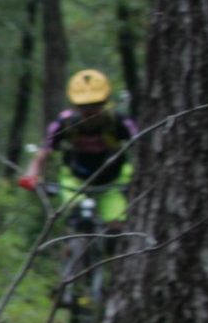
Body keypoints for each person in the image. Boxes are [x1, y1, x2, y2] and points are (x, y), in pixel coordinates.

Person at [19, 68, 136, 227]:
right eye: (83, 106)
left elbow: (142, 146)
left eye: (95, 105)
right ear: (74, 105)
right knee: (80, 218)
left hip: (113, 181)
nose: (89, 111)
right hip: (75, 181)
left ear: (105, 102)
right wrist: (31, 175)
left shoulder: (119, 121)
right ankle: (72, 247)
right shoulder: (64, 123)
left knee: (116, 228)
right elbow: (43, 153)